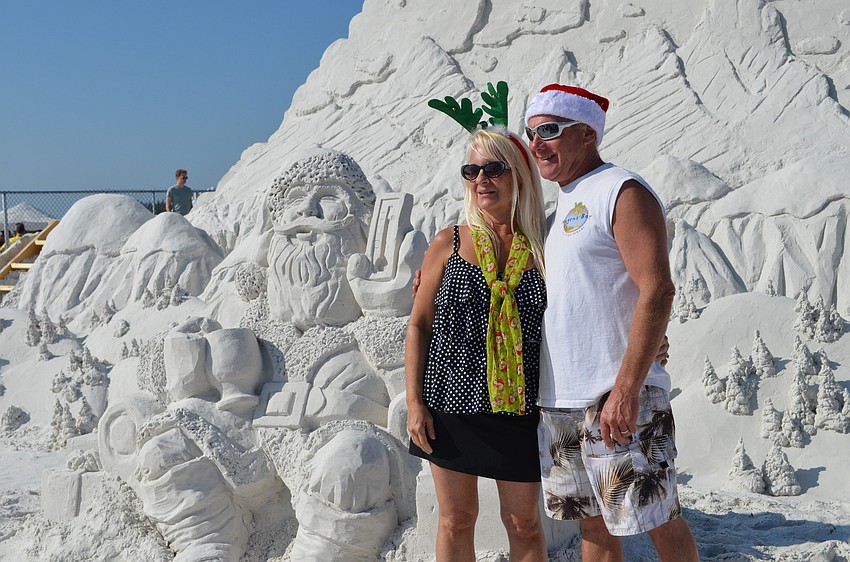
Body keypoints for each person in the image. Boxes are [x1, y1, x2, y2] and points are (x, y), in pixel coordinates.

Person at [525, 84, 699, 561]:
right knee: (595, 529)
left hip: (616, 398)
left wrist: (626, 388)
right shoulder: (555, 208)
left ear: (586, 134)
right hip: (560, 400)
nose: (537, 143)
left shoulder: (621, 190)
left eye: (550, 131)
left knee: (658, 518)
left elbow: (657, 289)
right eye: (531, 133)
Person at [406, 127, 550, 561]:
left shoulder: (545, 244)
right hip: (449, 404)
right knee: (457, 519)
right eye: (472, 170)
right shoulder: (447, 242)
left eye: (493, 168)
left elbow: (595, 299)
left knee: (524, 524)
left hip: (520, 405)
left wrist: (653, 338)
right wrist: (414, 403)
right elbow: (419, 326)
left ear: (519, 173)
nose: (481, 179)